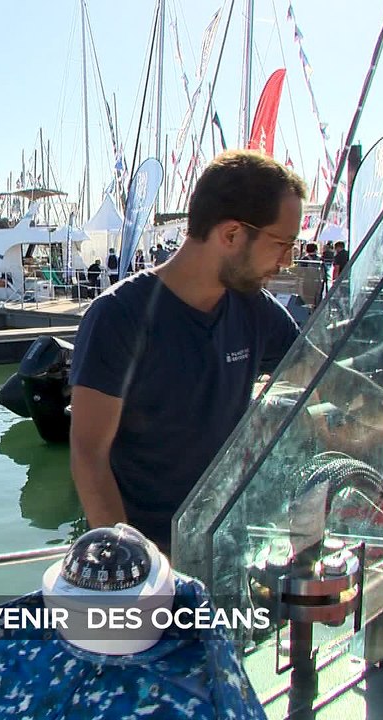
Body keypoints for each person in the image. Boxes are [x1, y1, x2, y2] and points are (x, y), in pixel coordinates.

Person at [68, 150, 307, 551]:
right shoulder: (117, 317)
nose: (288, 261)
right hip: (147, 555)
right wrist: (136, 570)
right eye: (282, 244)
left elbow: (314, 368)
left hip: (227, 545)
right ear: (231, 234)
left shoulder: (254, 309)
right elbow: (89, 456)